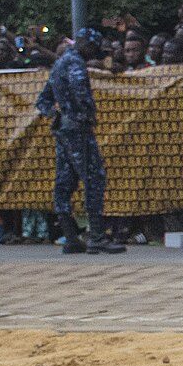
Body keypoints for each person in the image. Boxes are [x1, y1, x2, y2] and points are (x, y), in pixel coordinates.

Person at [34, 29, 124, 254]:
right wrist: (88, 112)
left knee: (64, 182)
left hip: (64, 129)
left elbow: (43, 100)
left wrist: (55, 115)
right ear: (85, 44)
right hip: (78, 128)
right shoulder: (75, 63)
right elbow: (79, 89)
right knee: (94, 177)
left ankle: (71, 237)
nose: (93, 53)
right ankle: (97, 236)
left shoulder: (59, 63)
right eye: (92, 48)